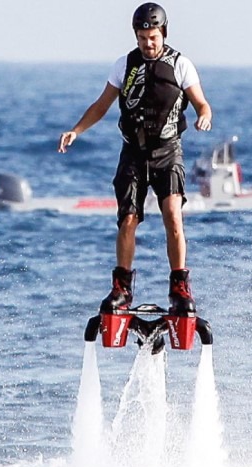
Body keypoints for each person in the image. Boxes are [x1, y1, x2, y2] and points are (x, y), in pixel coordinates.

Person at [58, 2, 212, 316]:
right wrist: (76, 130)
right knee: (128, 220)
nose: (147, 43)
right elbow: (101, 105)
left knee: (172, 215)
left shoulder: (181, 64)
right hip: (133, 152)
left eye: (153, 37)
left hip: (168, 152)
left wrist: (204, 116)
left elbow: (201, 103)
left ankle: (179, 288)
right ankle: (122, 289)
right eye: (142, 37)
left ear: (163, 34)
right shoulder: (124, 65)